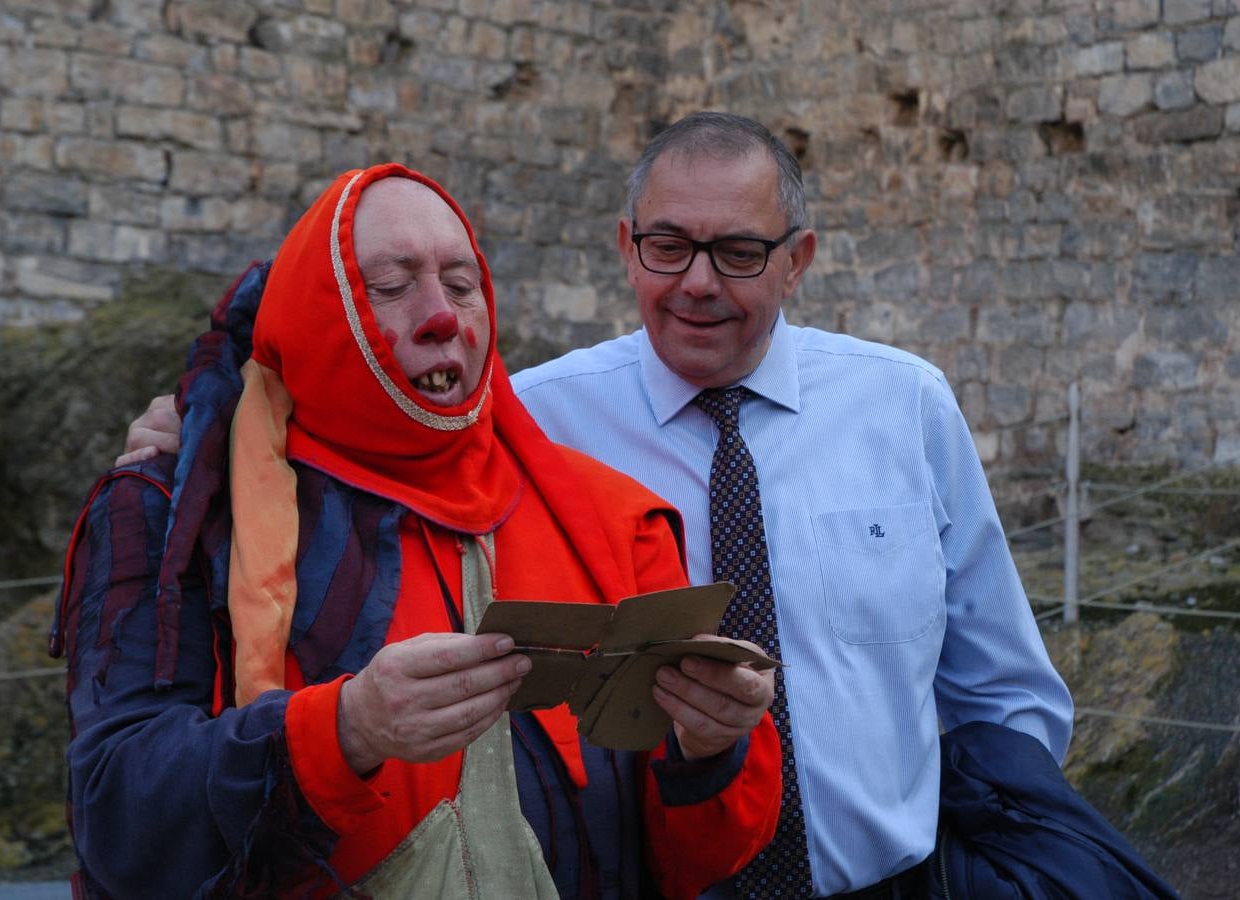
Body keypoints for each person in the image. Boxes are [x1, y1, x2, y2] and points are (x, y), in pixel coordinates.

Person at [120, 113, 1074, 898]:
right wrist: (207, 432)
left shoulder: (903, 405)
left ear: (798, 259)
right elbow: (352, 417)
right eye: (668, 247)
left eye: (739, 252)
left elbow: (1002, 691)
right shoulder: (525, 422)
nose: (697, 282)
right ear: (626, 249)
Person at [55, 163, 782, 899]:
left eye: (461, 285)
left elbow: (689, 864)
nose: (442, 316)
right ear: (319, 311)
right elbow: (120, 822)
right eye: (392, 287)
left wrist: (710, 747)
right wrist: (347, 729)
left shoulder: (613, 518)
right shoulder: (181, 508)